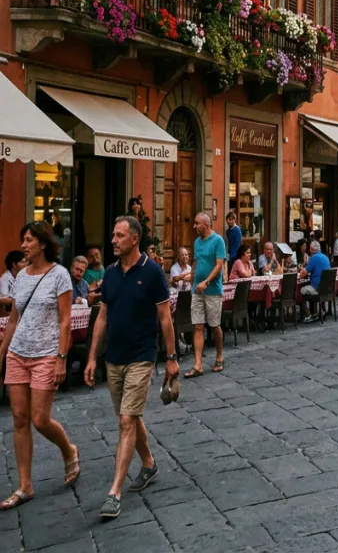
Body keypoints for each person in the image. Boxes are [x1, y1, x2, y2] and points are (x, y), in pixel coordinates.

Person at [83, 216, 177, 520]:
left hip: (141, 355)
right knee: (130, 416)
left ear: (134, 239)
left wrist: (171, 357)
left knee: (126, 420)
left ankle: (114, 492)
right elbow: (102, 316)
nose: (113, 240)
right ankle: (149, 463)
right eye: (113, 235)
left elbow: (165, 317)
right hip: (114, 357)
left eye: (119, 235)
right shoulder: (110, 274)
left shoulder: (152, 272)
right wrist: (92, 357)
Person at [0, 222, 79, 512]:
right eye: (23, 240)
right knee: (19, 418)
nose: (23, 245)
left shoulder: (60, 275)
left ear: (43, 244)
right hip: (18, 353)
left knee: (40, 420)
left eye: (28, 240)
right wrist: (1, 353)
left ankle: (68, 450)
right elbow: (13, 320)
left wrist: (61, 358)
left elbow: (65, 321)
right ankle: (25, 486)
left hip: (46, 354)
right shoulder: (20, 277)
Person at [185, 212, 226, 377]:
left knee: (215, 326)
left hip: (213, 290)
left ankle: (219, 356)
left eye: (197, 223)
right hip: (197, 290)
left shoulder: (218, 240)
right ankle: (198, 365)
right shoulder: (197, 242)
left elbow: (219, 265)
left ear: (206, 225)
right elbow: (196, 262)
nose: (194, 226)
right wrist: (192, 279)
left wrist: (206, 282)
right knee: (198, 326)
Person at [301, 240, 331, 322]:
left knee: (301, 291)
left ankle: (309, 314)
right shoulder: (326, 257)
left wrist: (302, 269)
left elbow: (303, 274)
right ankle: (319, 311)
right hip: (326, 288)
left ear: (312, 249)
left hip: (317, 288)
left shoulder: (313, 258)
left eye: (310, 249)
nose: (309, 250)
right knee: (309, 288)